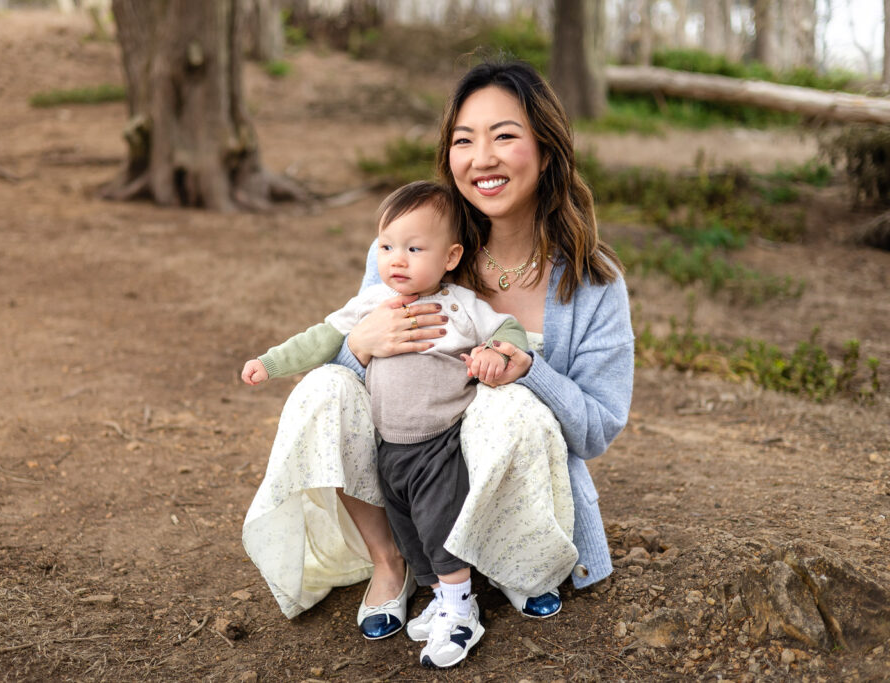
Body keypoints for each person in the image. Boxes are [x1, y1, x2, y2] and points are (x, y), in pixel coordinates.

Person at [242, 58, 633, 666]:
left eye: (505, 135)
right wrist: (364, 343)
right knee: (322, 388)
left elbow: (598, 427)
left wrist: (530, 371)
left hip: (511, 487)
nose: (482, 158)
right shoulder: (408, 246)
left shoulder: (592, 283)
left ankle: (514, 566)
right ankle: (391, 561)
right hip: (407, 470)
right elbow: (352, 380)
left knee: (504, 405)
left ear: (547, 151)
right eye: (464, 140)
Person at [242, 181, 542, 668]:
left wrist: (498, 350)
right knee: (411, 535)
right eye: (386, 247)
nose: (395, 260)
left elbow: (505, 327)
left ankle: (462, 611)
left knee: (441, 526)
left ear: (450, 257)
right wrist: (271, 362)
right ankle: (437, 595)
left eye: (413, 248)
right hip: (390, 447)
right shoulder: (372, 303)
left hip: (442, 443)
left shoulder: (461, 305)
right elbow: (320, 339)